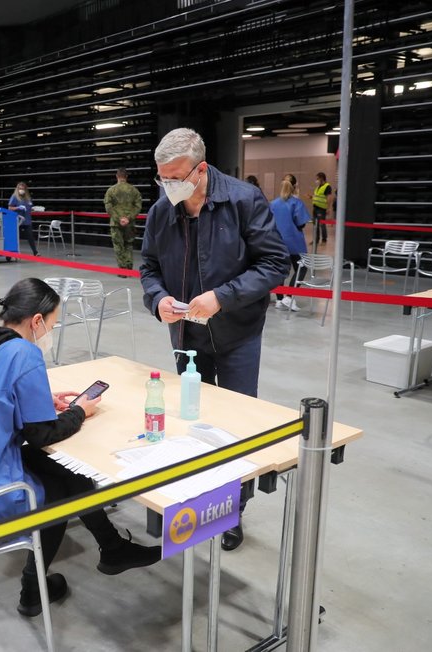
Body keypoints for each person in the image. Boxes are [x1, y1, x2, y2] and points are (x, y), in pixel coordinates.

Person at [0, 278, 160, 617]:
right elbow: (43, 435)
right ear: (36, 321)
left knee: (63, 471)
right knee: (60, 489)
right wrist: (80, 411)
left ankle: (113, 547)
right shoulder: (24, 353)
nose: (53, 329)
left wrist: (41, 399)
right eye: (53, 323)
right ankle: (34, 590)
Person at [139, 128, 289, 551]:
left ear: (200, 170)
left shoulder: (243, 200)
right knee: (194, 417)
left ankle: (233, 510)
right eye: (162, 178)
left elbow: (275, 263)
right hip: (186, 334)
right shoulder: (160, 211)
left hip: (238, 333)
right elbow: (148, 266)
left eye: (175, 177)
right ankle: (200, 494)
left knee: (236, 424)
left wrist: (223, 297)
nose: (168, 185)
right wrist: (158, 299)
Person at [270, 179, 311, 311]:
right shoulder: (296, 203)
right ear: (294, 189)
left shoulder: (273, 203)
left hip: (277, 242)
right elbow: (301, 223)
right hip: (294, 242)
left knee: (280, 271)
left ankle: (279, 300)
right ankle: (289, 297)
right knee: (301, 268)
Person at [104, 168, 143, 272]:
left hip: (116, 224)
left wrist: (119, 219)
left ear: (117, 176)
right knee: (129, 245)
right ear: (127, 176)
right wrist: (128, 218)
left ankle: (122, 270)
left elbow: (108, 208)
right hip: (130, 224)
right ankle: (129, 268)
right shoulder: (134, 190)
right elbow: (138, 207)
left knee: (118, 246)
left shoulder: (111, 190)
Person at [8, 181, 38, 256]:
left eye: (23, 188)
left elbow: (30, 207)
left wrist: (34, 209)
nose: (22, 190)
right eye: (20, 188)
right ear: (17, 189)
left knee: (30, 236)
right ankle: (10, 252)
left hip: (27, 220)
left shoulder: (28, 198)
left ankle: (35, 252)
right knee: (14, 237)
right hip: (18, 220)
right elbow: (10, 208)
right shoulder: (14, 197)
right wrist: (17, 207)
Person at [308, 172, 332, 245]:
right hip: (315, 208)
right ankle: (316, 240)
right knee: (315, 225)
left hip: (321, 209)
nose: (316, 180)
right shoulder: (318, 187)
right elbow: (318, 197)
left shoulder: (327, 186)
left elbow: (329, 198)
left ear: (322, 178)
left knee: (322, 224)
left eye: (317, 178)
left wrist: (328, 208)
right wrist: (311, 197)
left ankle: (324, 240)